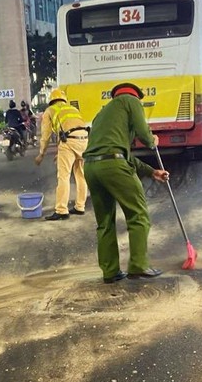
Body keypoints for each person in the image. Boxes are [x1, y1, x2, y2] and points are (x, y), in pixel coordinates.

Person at [82, 83, 169, 283]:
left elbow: (121, 153)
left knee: (104, 222)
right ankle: (138, 265)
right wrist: (152, 140)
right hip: (113, 166)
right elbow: (143, 133)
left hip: (91, 168)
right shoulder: (131, 101)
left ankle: (110, 271)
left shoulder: (101, 115)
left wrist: (151, 171)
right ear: (136, 96)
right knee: (138, 214)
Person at [34, 88, 89, 221]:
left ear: (51, 100)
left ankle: (61, 210)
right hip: (84, 139)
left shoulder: (50, 110)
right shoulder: (72, 109)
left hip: (69, 140)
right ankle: (80, 206)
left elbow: (46, 135)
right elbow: (70, 129)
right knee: (80, 174)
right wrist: (60, 152)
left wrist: (41, 154)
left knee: (63, 176)